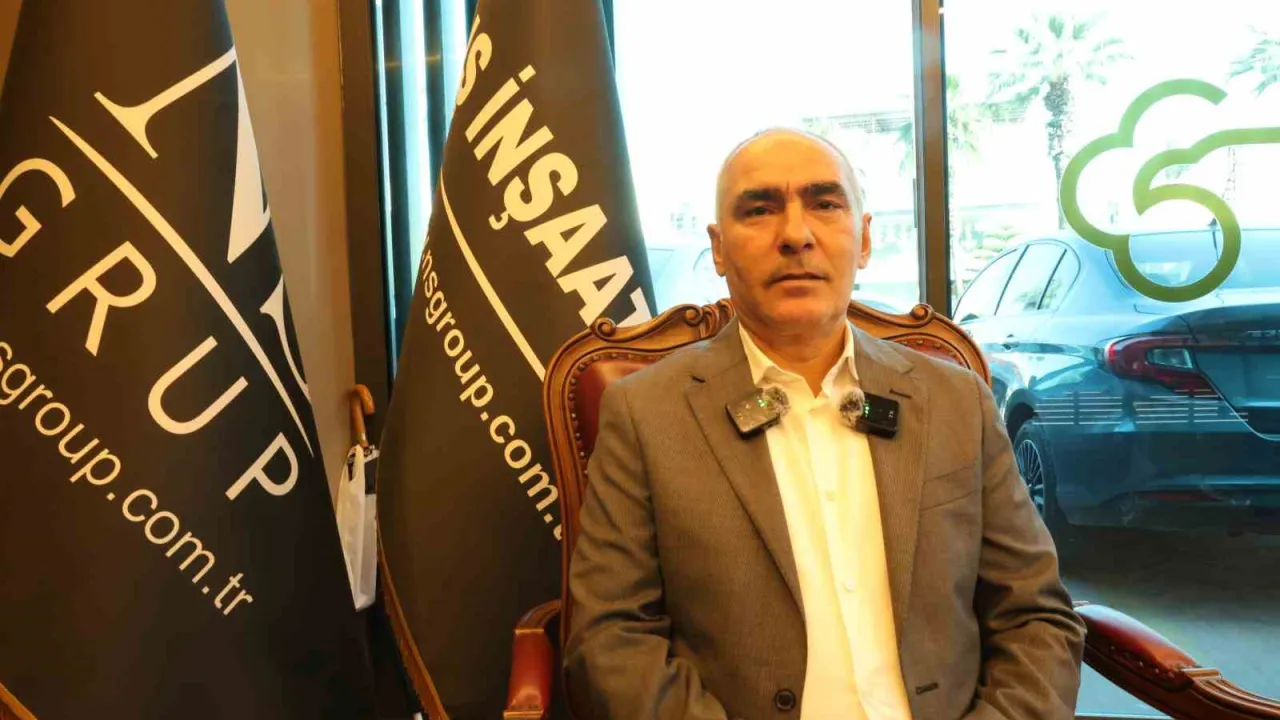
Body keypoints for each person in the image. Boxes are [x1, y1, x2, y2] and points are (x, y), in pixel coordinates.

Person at [563, 128, 1086, 720]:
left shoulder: (956, 402)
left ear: (864, 239)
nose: (795, 234)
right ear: (718, 248)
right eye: (759, 210)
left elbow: (1035, 616)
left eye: (825, 203)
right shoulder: (645, 414)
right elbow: (611, 638)